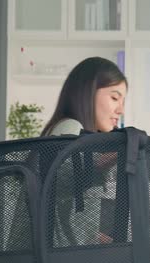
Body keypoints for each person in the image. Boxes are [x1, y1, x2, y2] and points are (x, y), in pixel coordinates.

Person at [41, 56, 127, 246]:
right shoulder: (70, 127)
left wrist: (94, 236)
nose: (120, 110)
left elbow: (64, 210)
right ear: (88, 93)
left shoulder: (77, 134)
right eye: (114, 97)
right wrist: (105, 160)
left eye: (123, 101)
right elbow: (57, 180)